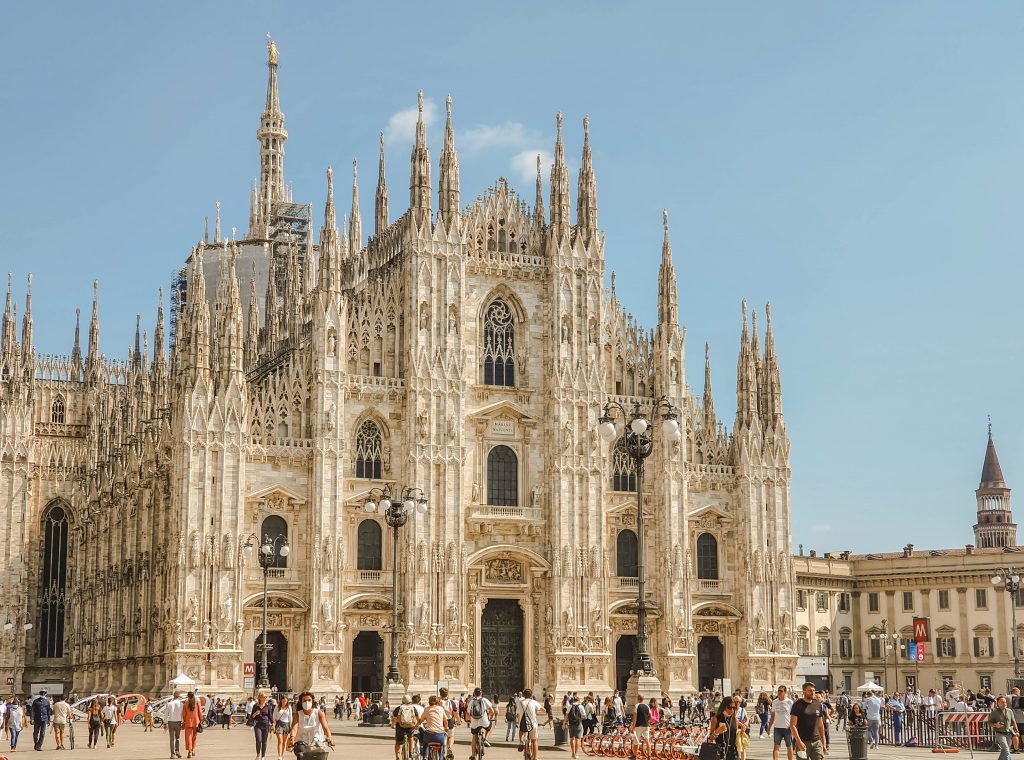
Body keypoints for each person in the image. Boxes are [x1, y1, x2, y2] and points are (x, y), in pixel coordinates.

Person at [289, 690, 335, 758]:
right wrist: (292, 738)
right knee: (301, 754)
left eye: (309, 700)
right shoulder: (297, 715)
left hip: (316, 742)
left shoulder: (319, 713)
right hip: (301, 742)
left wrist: (330, 738)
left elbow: (325, 727)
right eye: (304, 700)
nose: (307, 702)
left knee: (320, 755)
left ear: (312, 701)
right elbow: (294, 729)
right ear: (300, 702)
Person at [789, 683, 826, 760]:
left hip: (816, 742)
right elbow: (792, 725)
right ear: (804, 691)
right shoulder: (797, 705)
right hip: (803, 741)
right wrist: (799, 742)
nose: (812, 692)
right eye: (810, 690)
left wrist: (823, 742)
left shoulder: (818, 704)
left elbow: (820, 725)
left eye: (814, 690)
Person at [709, 696, 741, 760]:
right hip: (720, 752)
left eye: (733, 708)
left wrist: (742, 731)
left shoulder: (735, 720)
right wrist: (717, 731)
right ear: (724, 706)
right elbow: (711, 738)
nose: (732, 710)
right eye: (729, 707)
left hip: (733, 752)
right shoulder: (716, 719)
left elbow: (737, 737)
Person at [467, 687, 494, 760]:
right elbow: (492, 711)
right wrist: (490, 717)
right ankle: (486, 739)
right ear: (481, 693)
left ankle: (473, 755)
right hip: (484, 720)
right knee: (490, 727)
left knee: (474, 737)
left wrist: (468, 720)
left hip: (474, 722)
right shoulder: (484, 700)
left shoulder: (471, 701)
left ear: (474, 693)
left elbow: (468, 713)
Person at [768, 685, 794, 760]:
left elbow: (793, 716)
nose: (779, 692)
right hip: (777, 728)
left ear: (785, 692)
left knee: (789, 746)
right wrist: (769, 727)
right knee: (776, 746)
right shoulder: (774, 702)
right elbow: (773, 716)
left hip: (787, 727)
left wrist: (793, 727)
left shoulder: (790, 702)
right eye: (778, 691)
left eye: (781, 691)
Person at [516, 689, 543, 760]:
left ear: (524, 695)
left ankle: (521, 741)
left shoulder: (520, 703)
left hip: (523, 724)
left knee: (521, 730)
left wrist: (518, 721)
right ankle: (536, 758)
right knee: (534, 740)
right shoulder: (534, 702)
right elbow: (543, 710)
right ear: (531, 695)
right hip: (532, 724)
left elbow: (517, 714)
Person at [392, 694, 420, 760]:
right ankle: (410, 753)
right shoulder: (413, 708)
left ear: (402, 701)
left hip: (400, 727)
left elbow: (394, 718)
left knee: (398, 743)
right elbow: (418, 718)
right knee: (411, 737)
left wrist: (393, 725)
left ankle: (397, 757)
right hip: (410, 727)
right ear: (410, 701)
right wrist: (417, 725)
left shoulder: (398, 708)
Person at [990, 695, 1015, 760]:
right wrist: (995, 725)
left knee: (1005, 750)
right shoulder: (994, 712)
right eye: (1002, 702)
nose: (1004, 704)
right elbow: (989, 722)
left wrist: (1016, 731)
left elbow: (1013, 722)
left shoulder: (1009, 711)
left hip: (1008, 733)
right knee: (1006, 750)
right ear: (998, 703)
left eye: (1005, 702)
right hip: (999, 733)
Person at [251, 689, 274, 759]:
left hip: (266, 725)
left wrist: (273, 724)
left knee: (264, 741)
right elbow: (252, 716)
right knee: (259, 740)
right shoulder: (255, 706)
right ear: (260, 698)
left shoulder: (268, 706)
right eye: (264, 697)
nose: (265, 698)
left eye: (265, 697)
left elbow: (270, 716)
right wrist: (255, 713)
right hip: (258, 725)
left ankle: (263, 756)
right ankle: (258, 754)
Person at [162, 690, 185, 758]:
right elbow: (182, 715)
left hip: (171, 722)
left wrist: (165, 723)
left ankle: (172, 754)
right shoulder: (181, 704)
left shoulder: (169, 704)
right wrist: (183, 722)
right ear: (179, 696)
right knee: (177, 738)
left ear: (173, 696)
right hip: (178, 722)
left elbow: (166, 714)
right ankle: (177, 751)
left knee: (171, 739)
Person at [181, 691, 203, 758]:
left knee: (188, 737)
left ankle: (189, 751)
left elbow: (184, 714)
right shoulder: (197, 702)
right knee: (194, 737)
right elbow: (200, 711)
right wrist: (201, 719)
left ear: (188, 696)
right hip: (196, 722)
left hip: (188, 722)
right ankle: (193, 749)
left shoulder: (185, 702)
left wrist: (184, 721)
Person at [565, 694, 586, 759]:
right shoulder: (581, 706)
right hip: (578, 724)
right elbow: (584, 716)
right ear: (578, 700)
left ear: (573, 700)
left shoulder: (570, 706)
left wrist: (564, 723)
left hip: (571, 724)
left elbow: (566, 715)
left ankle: (573, 752)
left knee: (572, 738)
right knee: (577, 739)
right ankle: (575, 754)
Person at [273, 694, 293, 760]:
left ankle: (281, 755)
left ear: (287, 701)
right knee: (280, 741)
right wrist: (273, 724)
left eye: (285, 701)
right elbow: (274, 716)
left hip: (286, 724)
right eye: (283, 701)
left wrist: (291, 727)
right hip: (279, 724)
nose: (284, 702)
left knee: (284, 742)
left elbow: (290, 718)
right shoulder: (277, 707)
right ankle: (279, 756)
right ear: (281, 701)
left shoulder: (289, 707)